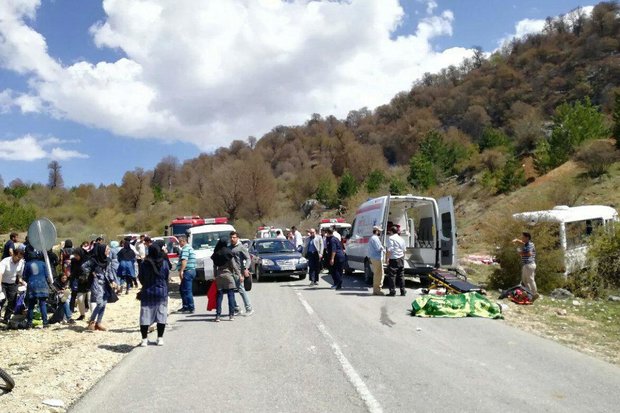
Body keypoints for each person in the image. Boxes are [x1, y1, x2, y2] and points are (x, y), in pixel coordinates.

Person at [138, 242, 170, 346]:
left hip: (147, 292)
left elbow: (141, 278)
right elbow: (166, 276)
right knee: (161, 315)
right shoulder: (164, 263)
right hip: (161, 292)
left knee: (145, 316)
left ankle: (144, 340)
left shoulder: (144, 263)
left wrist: (147, 284)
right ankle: (160, 338)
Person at [83, 244, 117, 331]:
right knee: (100, 303)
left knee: (104, 303)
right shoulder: (93, 260)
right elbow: (83, 266)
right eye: (107, 250)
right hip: (96, 283)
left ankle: (99, 323)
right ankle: (91, 321)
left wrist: (112, 280)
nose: (108, 251)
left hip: (105, 283)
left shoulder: (107, 260)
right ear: (102, 251)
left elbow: (109, 271)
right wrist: (91, 273)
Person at [23, 249, 52, 328]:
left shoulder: (27, 264)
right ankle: (45, 323)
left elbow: (24, 276)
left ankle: (29, 323)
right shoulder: (43, 263)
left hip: (32, 285)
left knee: (31, 305)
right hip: (42, 285)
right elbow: (47, 276)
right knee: (42, 304)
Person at [211, 239, 238, 322]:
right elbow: (233, 265)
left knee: (219, 296)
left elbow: (214, 267)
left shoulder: (216, 253)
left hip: (219, 276)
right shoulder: (228, 252)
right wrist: (239, 274)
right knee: (231, 295)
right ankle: (231, 315)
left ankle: (218, 316)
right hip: (228, 275)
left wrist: (215, 276)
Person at [229, 231, 253, 316]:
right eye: (231, 237)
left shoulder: (241, 247)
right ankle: (236, 308)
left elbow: (248, 259)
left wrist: (246, 268)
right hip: (229, 272)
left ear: (237, 238)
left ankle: (249, 308)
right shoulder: (229, 247)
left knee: (241, 290)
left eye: (234, 237)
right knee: (230, 291)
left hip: (238, 272)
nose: (232, 239)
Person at [0, 246, 25, 324]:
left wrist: (21, 281)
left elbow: (19, 274)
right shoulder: (5, 261)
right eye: (17, 257)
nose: (18, 259)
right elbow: (0, 273)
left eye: (20, 258)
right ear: (13, 255)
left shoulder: (21, 262)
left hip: (13, 284)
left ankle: (6, 318)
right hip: (3, 283)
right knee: (2, 299)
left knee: (13, 301)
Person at [512, 232, 539, 300]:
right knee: (524, 280)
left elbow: (529, 253)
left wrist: (520, 253)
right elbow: (523, 242)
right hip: (526, 265)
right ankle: (529, 293)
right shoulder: (528, 243)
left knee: (530, 280)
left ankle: (534, 293)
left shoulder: (529, 245)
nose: (522, 238)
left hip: (529, 265)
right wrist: (517, 240)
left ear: (527, 238)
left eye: (523, 237)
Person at [176, 235, 196, 314]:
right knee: (182, 289)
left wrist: (181, 271)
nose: (179, 244)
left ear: (183, 241)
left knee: (187, 290)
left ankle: (191, 307)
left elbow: (184, 260)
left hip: (187, 271)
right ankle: (185, 306)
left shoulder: (185, 249)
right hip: (191, 270)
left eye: (180, 242)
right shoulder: (190, 248)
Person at [70, 246, 90, 320]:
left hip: (89, 283)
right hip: (80, 283)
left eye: (76, 255)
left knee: (90, 300)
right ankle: (82, 314)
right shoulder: (74, 262)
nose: (75, 257)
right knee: (80, 299)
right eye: (74, 255)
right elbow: (73, 272)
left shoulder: (88, 260)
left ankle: (93, 316)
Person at [385, 226, 406, 297]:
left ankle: (392, 291)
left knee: (392, 275)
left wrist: (387, 259)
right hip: (401, 258)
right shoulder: (401, 239)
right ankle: (403, 291)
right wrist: (403, 258)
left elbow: (389, 249)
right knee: (401, 275)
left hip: (393, 258)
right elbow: (404, 250)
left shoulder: (391, 238)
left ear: (391, 231)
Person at [368, 226, 386, 296]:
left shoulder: (373, 238)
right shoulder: (375, 238)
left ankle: (376, 290)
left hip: (374, 258)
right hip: (376, 258)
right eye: (379, 231)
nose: (380, 232)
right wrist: (384, 249)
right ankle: (377, 290)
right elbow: (378, 248)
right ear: (376, 231)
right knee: (379, 274)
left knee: (377, 274)